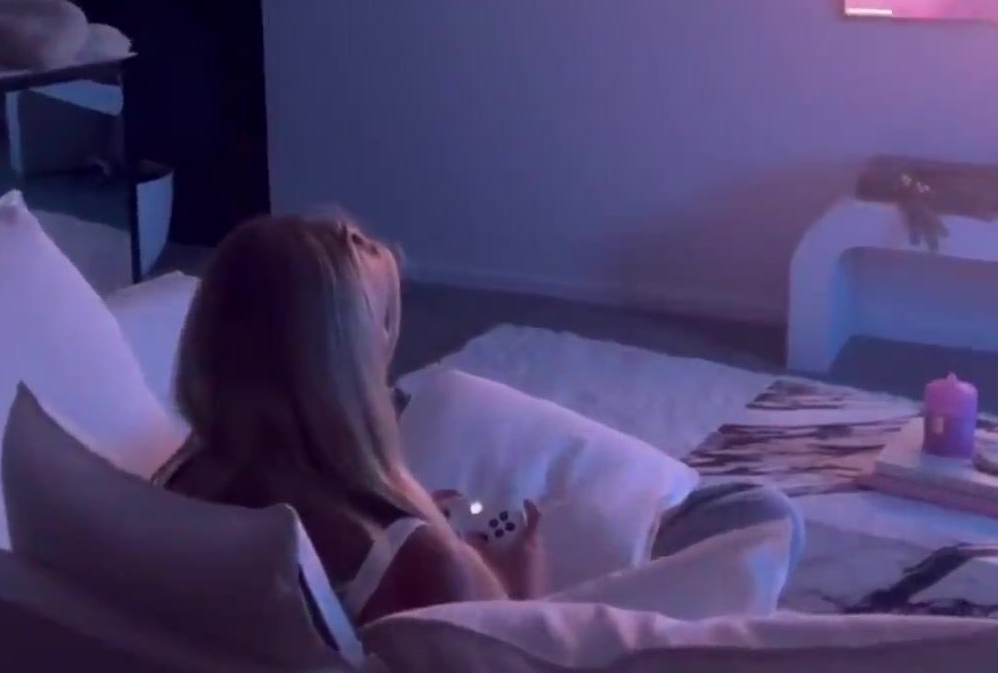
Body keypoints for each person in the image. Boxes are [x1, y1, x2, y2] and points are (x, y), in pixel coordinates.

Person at [157, 212, 802, 629]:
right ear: (342, 372)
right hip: (521, 616)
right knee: (756, 511)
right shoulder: (422, 564)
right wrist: (521, 581)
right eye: (382, 333)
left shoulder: (176, 490)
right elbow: (512, 649)